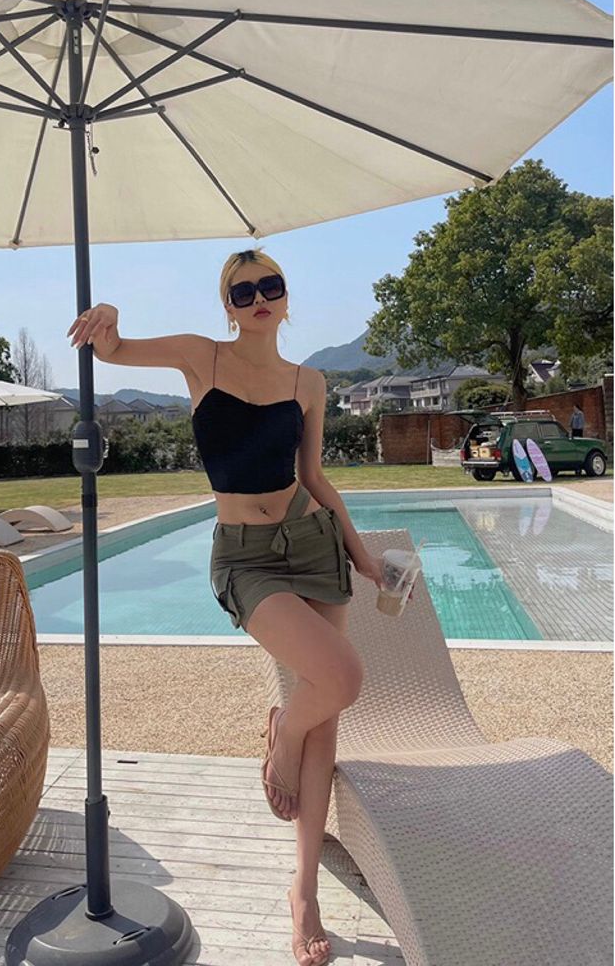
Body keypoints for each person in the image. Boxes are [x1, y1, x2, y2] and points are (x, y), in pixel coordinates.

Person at [68, 248, 385, 966]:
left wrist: (362, 555)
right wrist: (109, 318)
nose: (259, 297)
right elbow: (113, 350)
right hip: (244, 557)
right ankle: (282, 736)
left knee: (326, 716)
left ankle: (303, 891)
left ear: (286, 296)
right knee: (340, 679)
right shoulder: (200, 357)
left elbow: (314, 477)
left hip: (313, 543)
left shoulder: (309, 381)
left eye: (271, 285)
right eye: (243, 291)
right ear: (227, 305)